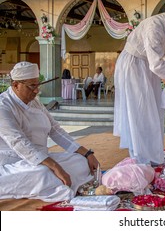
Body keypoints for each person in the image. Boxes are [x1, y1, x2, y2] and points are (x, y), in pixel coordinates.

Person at [0, 62, 99, 202]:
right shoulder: (3, 105)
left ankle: (59, 182)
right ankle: (58, 184)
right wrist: (54, 166)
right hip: (11, 164)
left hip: (41, 158)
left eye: (37, 85)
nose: (36, 91)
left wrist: (87, 153)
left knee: (80, 161)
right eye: (31, 86)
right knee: (43, 173)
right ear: (16, 85)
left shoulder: (35, 103)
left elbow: (55, 130)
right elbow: (19, 142)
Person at [113, 12, 165, 166]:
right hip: (134, 64)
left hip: (148, 67)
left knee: (153, 112)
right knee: (139, 113)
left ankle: (152, 156)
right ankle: (139, 158)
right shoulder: (155, 28)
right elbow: (157, 65)